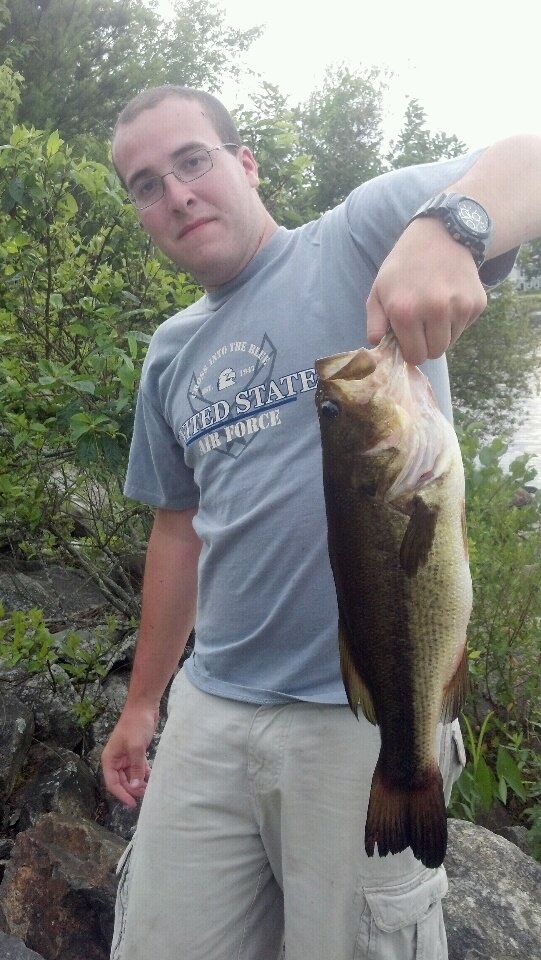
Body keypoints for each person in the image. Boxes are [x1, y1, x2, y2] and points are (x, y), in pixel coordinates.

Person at [102, 84, 541, 960]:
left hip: (363, 726)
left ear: (245, 164)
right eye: (146, 183)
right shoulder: (170, 352)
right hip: (211, 709)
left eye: (193, 160)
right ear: (142, 213)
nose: (177, 192)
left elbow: (529, 159)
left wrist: (449, 227)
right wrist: (143, 700)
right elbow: (179, 530)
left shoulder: (357, 233)